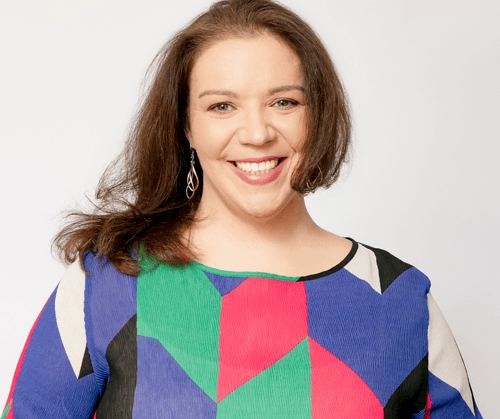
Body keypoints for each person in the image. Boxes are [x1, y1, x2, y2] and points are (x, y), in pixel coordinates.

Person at [1, 0, 482, 417]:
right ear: (186, 125)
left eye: (284, 102)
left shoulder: (400, 300)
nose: (256, 134)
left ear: (318, 114)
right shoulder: (105, 285)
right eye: (222, 106)